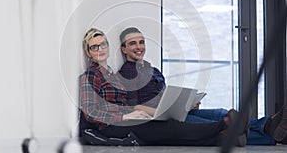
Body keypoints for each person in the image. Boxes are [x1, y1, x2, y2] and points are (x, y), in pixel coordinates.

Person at [79, 27, 248, 146]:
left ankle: (224, 139)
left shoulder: (112, 76)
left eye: (103, 44)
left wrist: (136, 113)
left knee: (169, 134)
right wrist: (124, 117)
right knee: (171, 128)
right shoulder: (89, 76)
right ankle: (225, 125)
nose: (100, 49)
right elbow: (91, 113)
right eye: (94, 47)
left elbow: (123, 105)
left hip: (128, 118)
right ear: (88, 52)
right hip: (112, 126)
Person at [118, 27, 287, 146]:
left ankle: (269, 124)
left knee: (222, 112)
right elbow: (133, 106)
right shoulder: (127, 73)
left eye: (141, 42)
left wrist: (186, 104)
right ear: (124, 49)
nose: (139, 47)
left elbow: (165, 94)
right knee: (219, 124)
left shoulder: (152, 69)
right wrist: (159, 113)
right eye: (133, 43)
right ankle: (271, 132)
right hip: (164, 118)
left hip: (176, 111)